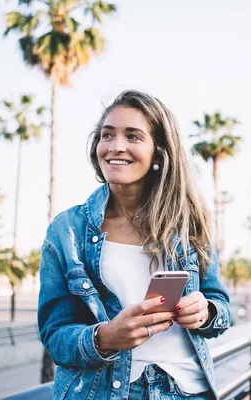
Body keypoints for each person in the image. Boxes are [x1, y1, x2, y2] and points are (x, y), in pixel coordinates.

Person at [38, 90, 231, 399]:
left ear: (158, 151)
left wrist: (205, 311)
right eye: (107, 135)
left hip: (188, 391)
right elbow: (54, 333)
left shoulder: (189, 223)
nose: (116, 146)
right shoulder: (67, 231)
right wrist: (104, 337)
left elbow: (220, 306)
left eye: (133, 136)